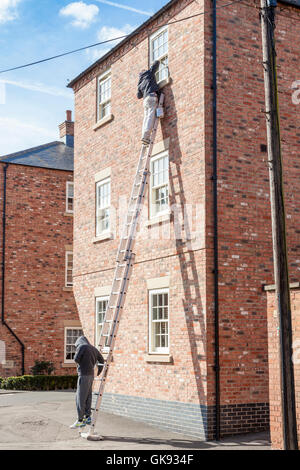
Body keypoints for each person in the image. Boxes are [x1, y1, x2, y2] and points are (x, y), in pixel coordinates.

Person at [70, 335, 104, 429]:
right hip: (91, 375)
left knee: (80, 398)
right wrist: (99, 371)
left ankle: (80, 420)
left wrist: (80, 364)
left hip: (83, 375)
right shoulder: (93, 348)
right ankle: (88, 417)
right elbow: (101, 360)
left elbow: (76, 359)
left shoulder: (81, 347)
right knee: (88, 396)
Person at [137, 60, 160, 145]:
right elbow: (156, 64)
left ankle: (144, 135)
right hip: (151, 96)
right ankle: (146, 136)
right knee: (150, 116)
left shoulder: (139, 83)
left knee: (146, 117)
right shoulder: (149, 73)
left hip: (145, 100)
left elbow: (138, 96)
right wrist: (155, 62)